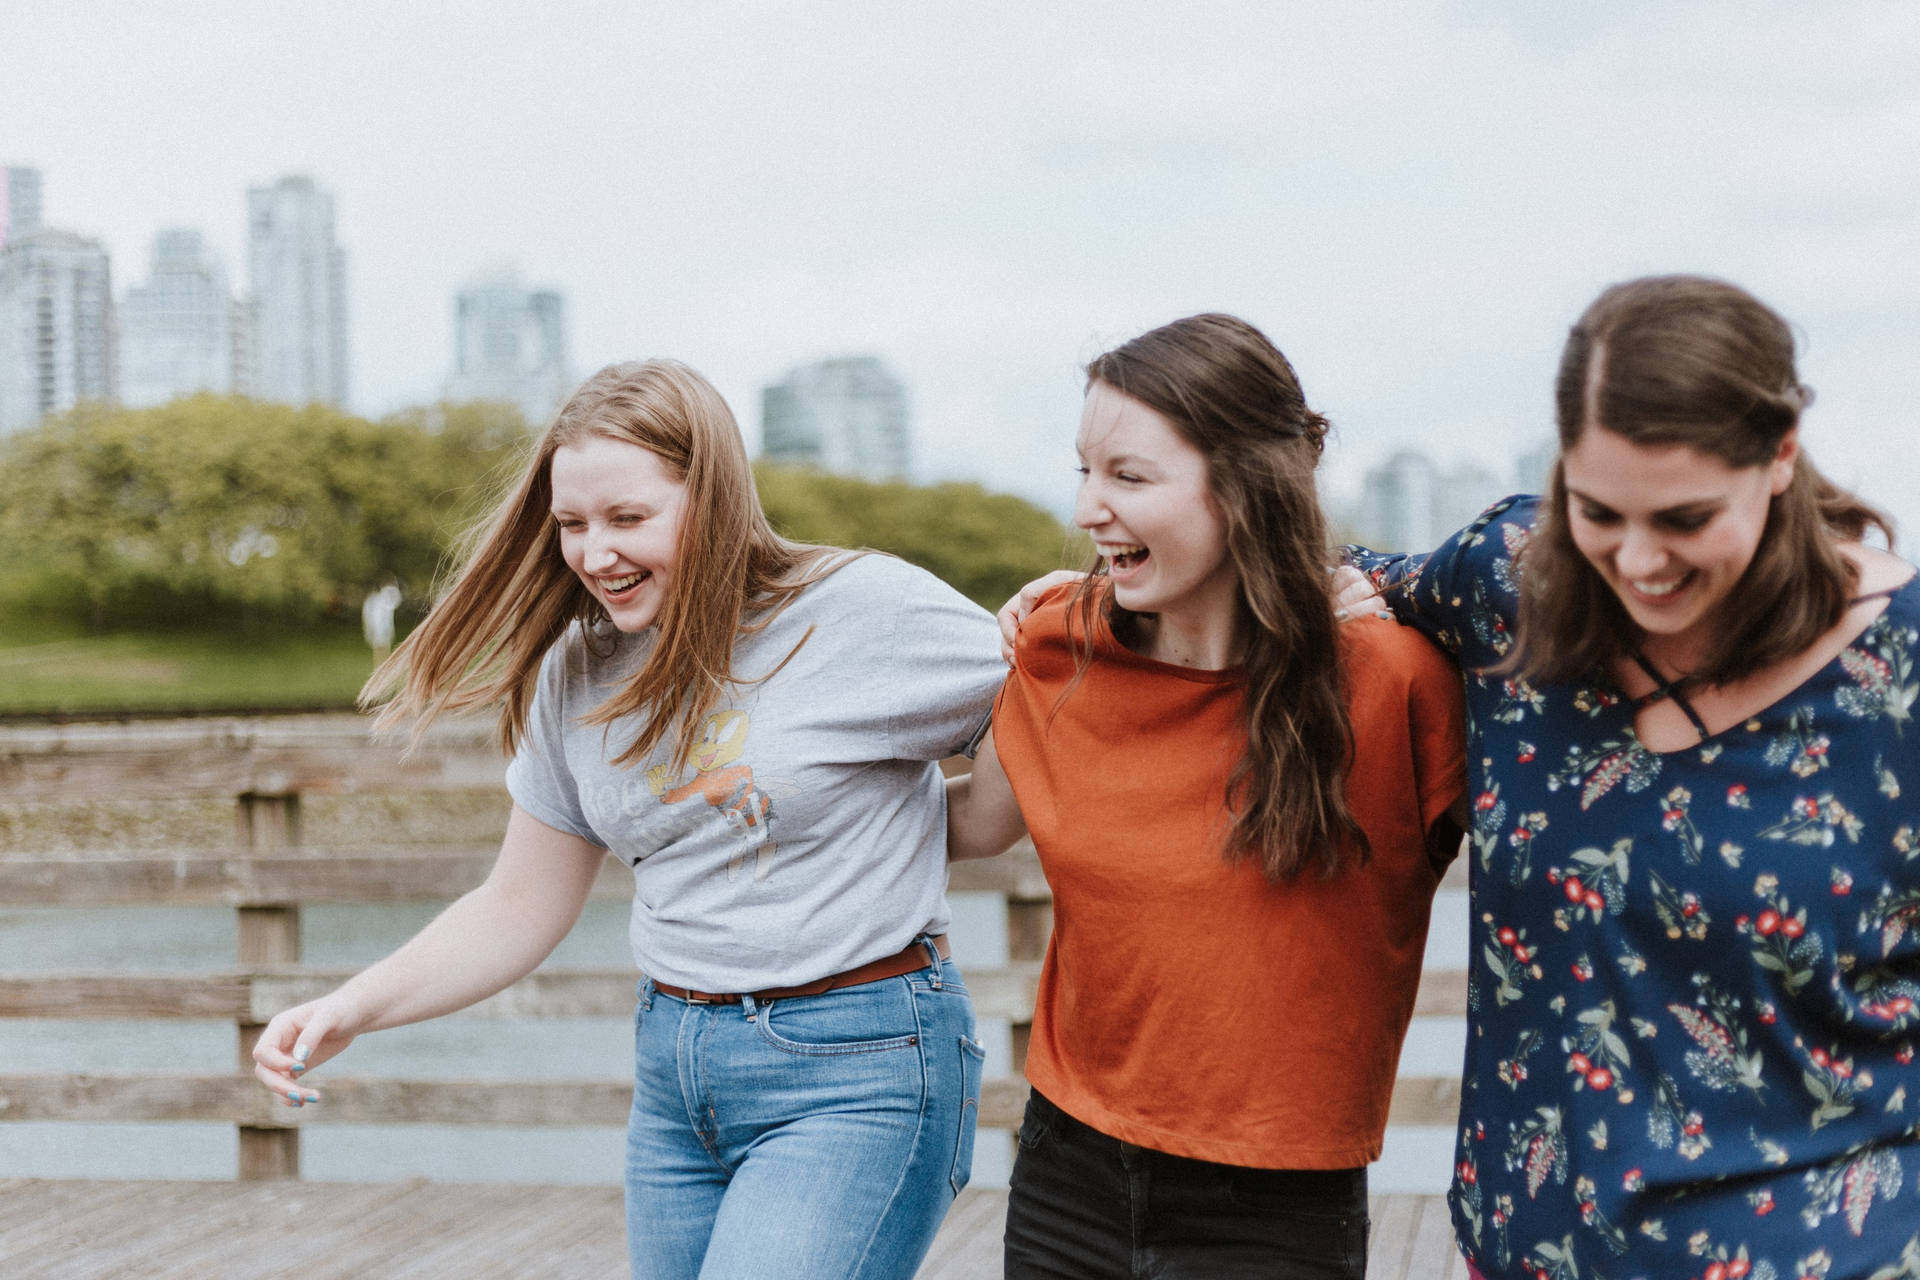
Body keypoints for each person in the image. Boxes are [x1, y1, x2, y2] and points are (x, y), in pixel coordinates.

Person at [251, 360, 1006, 1280]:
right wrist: (350, 1007)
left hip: (860, 1069)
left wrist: (948, 805)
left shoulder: (860, 612)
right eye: (571, 524)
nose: (593, 553)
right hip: (677, 1079)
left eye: (628, 518)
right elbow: (518, 905)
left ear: (714, 500)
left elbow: (1041, 729)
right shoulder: (577, 668)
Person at [1332, 276, 1919, 1278]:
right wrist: (1081, 610)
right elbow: (1316, 580)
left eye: (1685, 517)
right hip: (1524, 1250)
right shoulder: (1510, 577)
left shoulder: (1899, 675)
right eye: (1598, 510)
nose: (1638, 559)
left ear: (1780, 455)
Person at [950, 313, 1468, 1279]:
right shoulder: (1058, 647)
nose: (1090, 507)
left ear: (1244, 488)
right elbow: (974, 824)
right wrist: (761, 805)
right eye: (1085, 471)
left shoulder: (1395, 681)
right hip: (1068, 1168)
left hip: (1276, 1206)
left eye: (1129, 477)